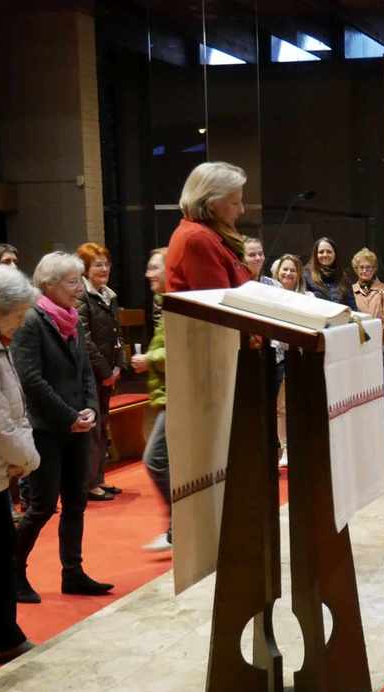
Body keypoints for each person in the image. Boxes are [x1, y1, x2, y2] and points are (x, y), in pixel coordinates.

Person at [10, 252, 113, 602]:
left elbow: (85, 372)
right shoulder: (31, 320)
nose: (79, 289)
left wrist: (90, 409)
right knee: (41, 506)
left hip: (76, 426)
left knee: (75, 502)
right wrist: (70, 416)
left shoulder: (71, 317)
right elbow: (30, 379)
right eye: (72, 282)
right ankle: (13, 573)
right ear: (49, 285)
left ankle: (73, 572)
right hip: (47, 429)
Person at [0, 265, 39, 675]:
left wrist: (21, 452)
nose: (20, 322)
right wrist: (29, 458)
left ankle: (4, 639)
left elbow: (12, 406)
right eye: (16, 315)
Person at [75, 243, 125, 502]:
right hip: (91, 373)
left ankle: (99, 478)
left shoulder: (108, 295)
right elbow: (85, 339)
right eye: (98, 264)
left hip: (107, 372)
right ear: (85, 269)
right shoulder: (81, 296)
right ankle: (88, 483)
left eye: (106, 263)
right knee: (93, 428)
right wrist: (106, 371)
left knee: (103, 425)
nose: (104, 268)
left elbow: (117, 333)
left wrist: (119, 365)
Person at [132, 249, 172, 552]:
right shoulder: (163, 303)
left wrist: (150, 358)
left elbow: (183, 348)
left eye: (154, 268)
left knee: (155, 459)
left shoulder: (177, 304)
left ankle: (178, 526)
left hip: (176, 396)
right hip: (167, 395)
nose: (148, 274)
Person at [166, 161, 252, 292]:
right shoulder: (198, 238)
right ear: (211, 203)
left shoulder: (210, 234)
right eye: (235, 203)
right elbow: (217, 300)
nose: (241, 210)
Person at [271, 254, 309, 468]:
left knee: (297, 404)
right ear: (277, 273)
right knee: (280, 407)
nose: (288, 273)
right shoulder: (269, 294)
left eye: (292, 270)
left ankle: (298, 446)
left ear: (299, 274)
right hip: (275, 356)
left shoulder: (307, 297)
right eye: (284, 269)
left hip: (299, 356)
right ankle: (283, 447)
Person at [351, 247, 384, 342]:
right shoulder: (349, 291)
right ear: (356, 269)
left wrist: (373, 337)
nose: (364, 270)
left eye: (368, 267)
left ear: (374, 269)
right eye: (361, 267)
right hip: (356, 341)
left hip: (380, 343)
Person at [304, 237, 355, 307]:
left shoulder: (344, 277)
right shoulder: (306, 276)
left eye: (329, 252)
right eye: (321, 252)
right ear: (315, 255)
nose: (325, 255)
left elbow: (352, 306)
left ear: (335, 254)